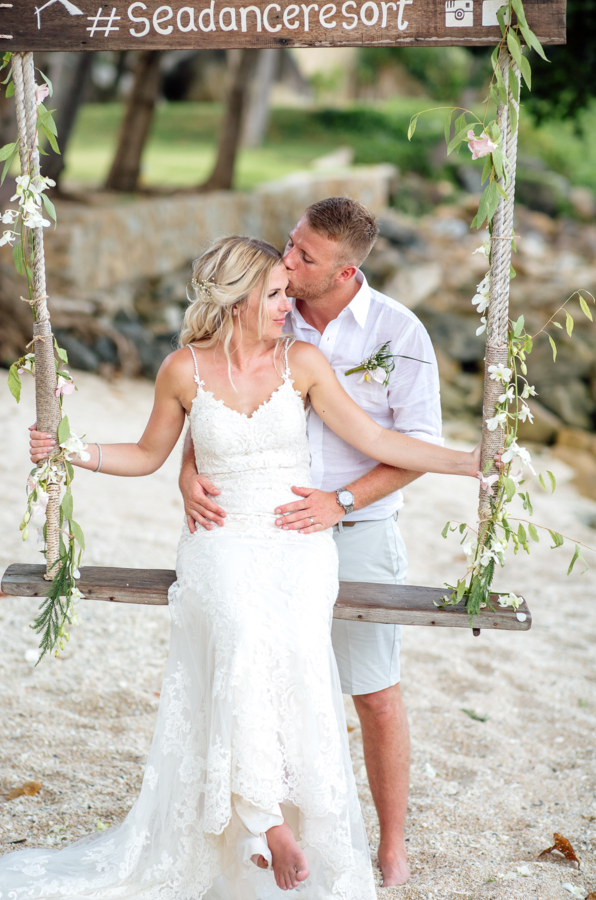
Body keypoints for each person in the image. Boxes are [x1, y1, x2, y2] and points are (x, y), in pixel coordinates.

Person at [0, 236, 479, 900]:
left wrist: (470, 462)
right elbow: (147, 453)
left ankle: (279, 817)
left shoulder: (302, 362)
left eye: (287, 291)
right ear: (239, 300)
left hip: (297, 544)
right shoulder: (182, 370)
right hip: (219, 541)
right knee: (244, 634)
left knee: (299, 653)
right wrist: (70, 449)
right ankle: (266, 821)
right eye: (277, 294)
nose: (290, 305)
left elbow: (378, 440)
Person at [179, 198, 441, 887]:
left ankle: (389, 844)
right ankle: (271, 828)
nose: (288, 264)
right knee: (269, 671)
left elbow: (410, 447)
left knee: (374, 691)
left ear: (345, 270)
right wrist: (186, 474)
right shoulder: (268, 306)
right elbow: (211, 407)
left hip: (357, 527)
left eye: (304, 258)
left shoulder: (398, 333)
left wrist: (343, 501)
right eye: (290, 247)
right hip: (255, 531)